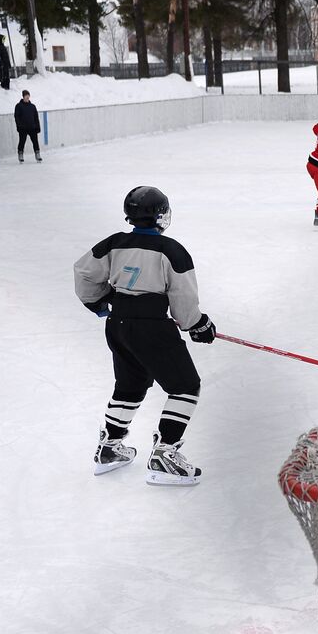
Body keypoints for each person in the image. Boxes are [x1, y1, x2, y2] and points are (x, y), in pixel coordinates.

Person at [72, 186, 214, 485]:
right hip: (152, 328)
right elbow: (183, 298)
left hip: (119, 325)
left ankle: (109, 450)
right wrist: (197, 325)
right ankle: (164, 454)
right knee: (185, 387)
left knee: (130, 386)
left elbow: (84, 272)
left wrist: (99, 301)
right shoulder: (171, 250)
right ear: (161, 216)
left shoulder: (114, 242)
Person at [14, 89, 41, 162]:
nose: (27, 97)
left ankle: (37, 154)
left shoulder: (32, 106)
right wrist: (19, 126)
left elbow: (36, 117)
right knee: (22, 141)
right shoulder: (18, 106)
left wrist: (37, 127)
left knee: (35, 141)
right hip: (23, 128)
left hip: (32, 127)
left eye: (28, 96)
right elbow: (17, 117)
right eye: (26, 96)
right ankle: (20, 154)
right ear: (23, 96)